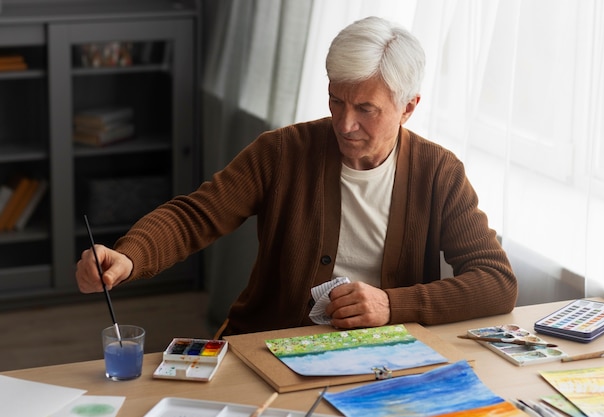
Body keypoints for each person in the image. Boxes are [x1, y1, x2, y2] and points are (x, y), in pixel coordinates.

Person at [75, 16, 517, 336]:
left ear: (408, 107)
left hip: (386, 350)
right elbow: (197, 214)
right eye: (336, 100)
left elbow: (496, 282)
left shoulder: (439, 172)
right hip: (270, 341)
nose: (345, 123)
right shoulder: (282, 151)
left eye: (366, 109)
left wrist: (392, 304)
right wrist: (129, 256)